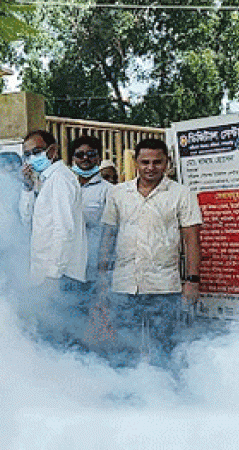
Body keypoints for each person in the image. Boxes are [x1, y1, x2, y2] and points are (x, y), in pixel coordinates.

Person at [98, 138, 202, 363]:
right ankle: (128, 392)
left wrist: (192, 281)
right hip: (124, 285)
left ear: (167, 163)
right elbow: (108, 237)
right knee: (124, 348)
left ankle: (165, 394)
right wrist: (102, 279)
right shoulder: (118, 193)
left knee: (164, 348)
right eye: (145, 162)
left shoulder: (181, 194)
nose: (151, 167)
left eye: (157, 162)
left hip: (164, 287)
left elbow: (191, 240)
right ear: (136, 162)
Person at [25, 129, 91, 345]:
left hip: (60, 278)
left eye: (36, 152)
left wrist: (53, 276)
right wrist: (27, 188)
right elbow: (30, 222)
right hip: (51, 276)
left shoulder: (60, 179)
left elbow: (65, 230)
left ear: (52, 151)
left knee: (60, 342)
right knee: (51, 341)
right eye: (27, 154)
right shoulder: (47, 181)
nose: (31, 158)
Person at [69, 135, 113, 285]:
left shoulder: (110, 191)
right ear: (73, 159)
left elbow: (112, 231)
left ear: (99, 159)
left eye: (91, 154)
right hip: (69, 267)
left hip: (96, 270)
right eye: (80, 155)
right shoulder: (66, 189)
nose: (85, 158)